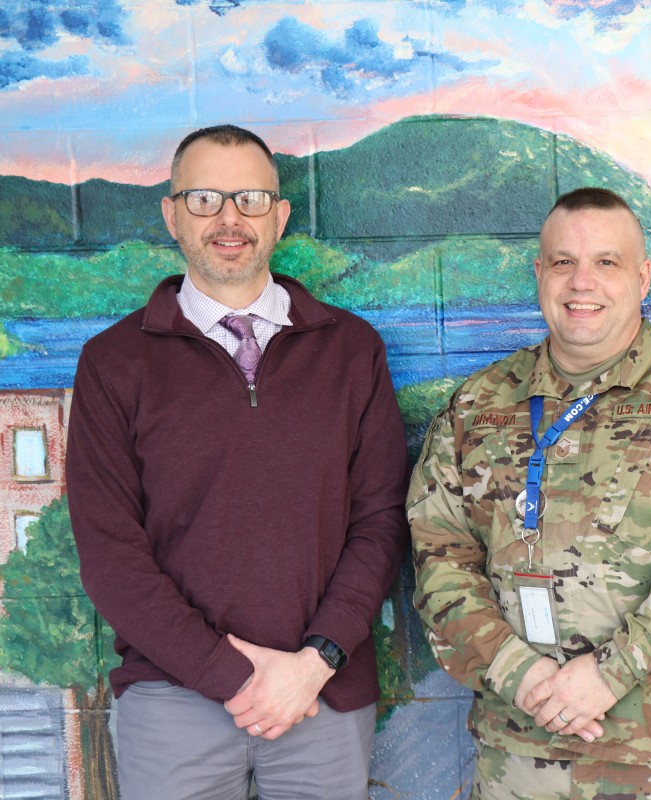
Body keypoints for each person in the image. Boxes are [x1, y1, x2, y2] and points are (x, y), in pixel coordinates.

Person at [66, 124, 409, 799]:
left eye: (251, 198)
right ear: (171, 215)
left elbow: (382, 521)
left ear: (280, 216)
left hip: (324, 697)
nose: (229, 219)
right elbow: (111, 556)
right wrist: (233, 675)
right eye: (203, 199)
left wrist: (316, 661)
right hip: (173, 700)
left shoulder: (352, 350)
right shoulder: (113, 363)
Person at [408, 187, 651, 799]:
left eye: (606, 262)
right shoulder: (477, 405)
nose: (582, 282)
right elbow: (437, 558)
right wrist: (519, 673)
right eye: (563, 262)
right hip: (518, 754)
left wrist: (612, 673)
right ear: (539, 274)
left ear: (642, 278)